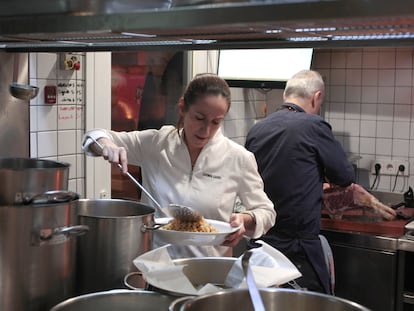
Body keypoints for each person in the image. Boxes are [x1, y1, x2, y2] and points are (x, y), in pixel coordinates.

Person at [82, 73, 276, 259]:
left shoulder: (238, 157)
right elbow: (93, 137)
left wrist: (245, 220)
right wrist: (108, 147)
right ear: (183, 107)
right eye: (199, 118)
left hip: (211, 270)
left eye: (216, 122)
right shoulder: (157, 144)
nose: (206, 130)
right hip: (156, 267)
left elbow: (266, 212)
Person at [245, 69, 395, 294]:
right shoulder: (313, 125)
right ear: (316, 98)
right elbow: (345, 177)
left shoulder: (257, 129)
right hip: (297, 248)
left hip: (261, 242)